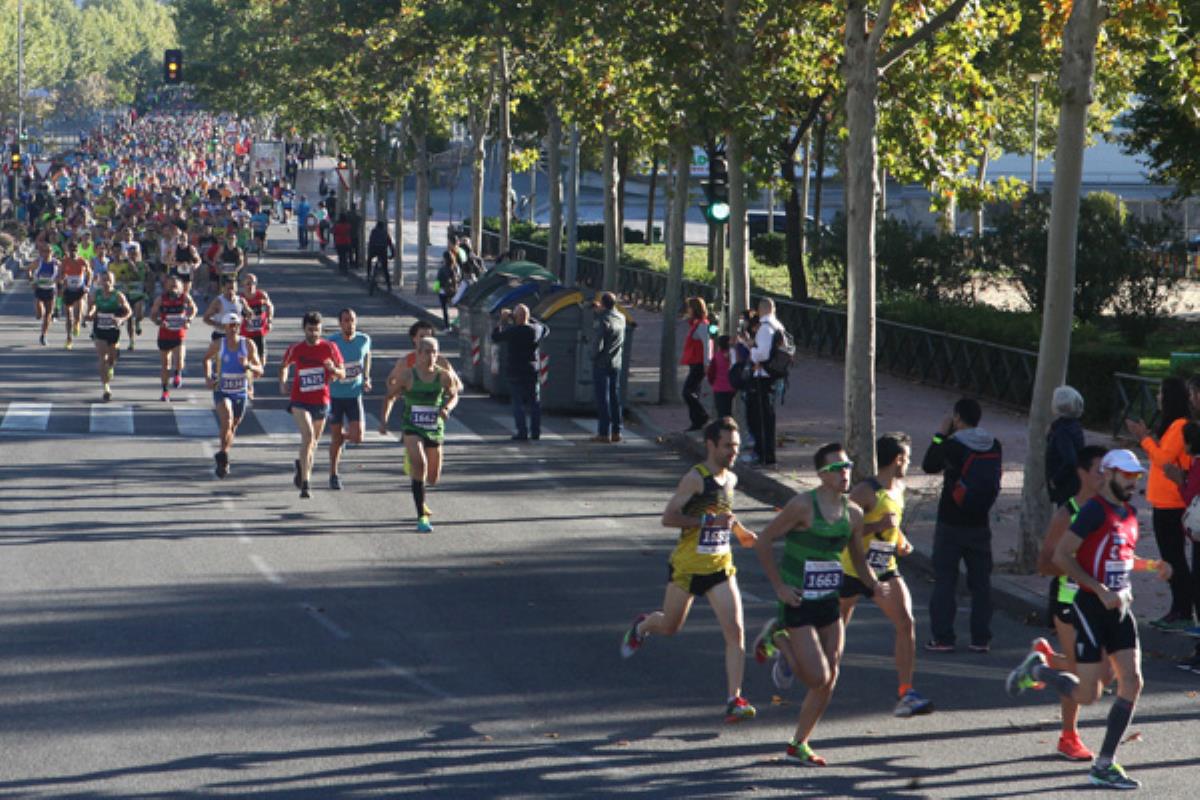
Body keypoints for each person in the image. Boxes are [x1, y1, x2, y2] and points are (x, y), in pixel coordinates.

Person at [1005, 449, 1172, 790]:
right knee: (1087, 694)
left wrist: (1152, 565)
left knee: (1132, 682)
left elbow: (1121, 556)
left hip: (1120, 608)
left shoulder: (1128, 513)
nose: (1133, 482)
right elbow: (1062, 555)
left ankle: (1104, 764)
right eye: (1127, 475)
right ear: (1108, 474)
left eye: (1136, 476)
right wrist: (1098, 589)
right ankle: (1037, 670)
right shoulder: (1093, 510)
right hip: (1090, 607)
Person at [620, 417, 760, 723]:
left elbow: (725, 513)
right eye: (727, 446)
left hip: (720, 566)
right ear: (711, 445)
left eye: (736, 446)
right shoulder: (695, 478)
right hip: (687, 567)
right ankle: (643, 626)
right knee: (670, 627)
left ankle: (734, 699)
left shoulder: (731, 479)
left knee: (736, 632)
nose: (733, 452)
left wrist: (740, 532)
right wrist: (705, 522)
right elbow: (669, 517)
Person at [752, 442, 876, 764]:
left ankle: (799, 743)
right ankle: (778, 637)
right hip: (798, 600)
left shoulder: (853, 513)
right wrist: (779, 587)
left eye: (847, 466)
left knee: (831, 676)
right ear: (821, 474)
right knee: (816, 678)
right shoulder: (802, 506)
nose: (845, 473)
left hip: (829, 601)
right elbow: (763, 540)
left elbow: (858, 559)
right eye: (837, 468)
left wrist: (875, 585)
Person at [840, 433, 932, 717]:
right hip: (852, 569)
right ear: (898, 459)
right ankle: (788, 649)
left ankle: (906, 693)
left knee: (906, 622)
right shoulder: (864, 492)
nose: (909, 463)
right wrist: (876, 525)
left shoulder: (899, 489)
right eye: (907, 458)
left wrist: (900, 540)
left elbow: (893, 523)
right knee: (831, 632)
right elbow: (842, 531)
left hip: (884, 568)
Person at [1034, 444, 1111, 761]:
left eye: (1109, 470)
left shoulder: (1108, 510)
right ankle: (1068, 737)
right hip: (1069, 600)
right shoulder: (1067, 514)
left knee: (1106, 675)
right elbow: (1044, 564)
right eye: (1100, 470)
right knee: (1083, 675)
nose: (1106, 476)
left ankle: (1045, 665)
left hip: (1100, 600)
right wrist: (1077, 564)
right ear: (1083, 473)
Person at [922, 396, 1002, 653]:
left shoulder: (953, 445)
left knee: (945, 580)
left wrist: (940, 435)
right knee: (981, 584)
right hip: (980, 522)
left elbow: (929, 465)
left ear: (957, 418)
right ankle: (981, 638)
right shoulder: (994, 444)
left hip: (950, 521)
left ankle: (943, 637)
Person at [1125, 376, 1195, 631]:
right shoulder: (1174, 426)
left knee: (1173, 558)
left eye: (1161, 393)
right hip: (1165, 501)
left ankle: (1183, 610)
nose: (1158, 397)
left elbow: (1164, 460)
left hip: (1172, 503)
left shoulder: (1179, 425)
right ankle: (1180, 608)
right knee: (1171, 556)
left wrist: (1143, 438)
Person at [393, 336, 458, 532]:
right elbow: (390, 394)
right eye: (427, 352)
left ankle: (413, 465)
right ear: (419, 354)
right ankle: (421, 517)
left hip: (434, 428)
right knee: (420, 464)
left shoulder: (444, 376)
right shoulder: (408, 375)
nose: (431, 356)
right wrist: (384, 418)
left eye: (434, 352)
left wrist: (446, 408)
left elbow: (454, 394)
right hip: (412, 426)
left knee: (432, 478)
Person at [279, 311, 346, 499]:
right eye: (310, 330)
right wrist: (283, 382)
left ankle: (301, 466)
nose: (314, 334)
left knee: (313, 444)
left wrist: (333, 369)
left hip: (321, 401)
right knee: (308, 437)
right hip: (300, 400)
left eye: (317, 330)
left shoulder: (330, 348)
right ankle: (306, 485)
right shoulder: (296, 349)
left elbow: (343, 373)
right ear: (304, 329)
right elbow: (284, 366)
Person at [203, 312, 263, 478]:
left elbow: (260, 370)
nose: (233, 328)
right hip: (222, 390)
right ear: (224, 327)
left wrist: (249, 366)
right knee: (227, 419)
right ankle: (223, 457)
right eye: (230, 325)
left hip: (240, 391)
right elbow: (206, 359)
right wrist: (208, 377)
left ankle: (223, 455)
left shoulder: (248, 344)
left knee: (232, 427)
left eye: (236, 325)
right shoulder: (218, 344)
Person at [379, 319, 463, 436]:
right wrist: (404, 389)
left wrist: (443, 399)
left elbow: (458, 386)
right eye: (421, 336)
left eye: (429, 336)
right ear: (414, 338)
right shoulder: (405, 362)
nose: (425, 340)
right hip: (412, 414)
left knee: (431, 445)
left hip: (434, 415)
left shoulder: (441, 362)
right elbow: (390, 386)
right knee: (413, 443)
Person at [326, 308, 372, 490]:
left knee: (358, 437)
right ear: (340, 323)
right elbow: (324, 364)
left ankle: (340, 440)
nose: (350, 324)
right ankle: (333, 474)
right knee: (336, 438)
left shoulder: (364, 340)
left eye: (352, 320)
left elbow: (367, 356)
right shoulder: (332, 343)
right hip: (335, 397)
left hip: (354, 395)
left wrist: (366, 377)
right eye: (346, 320)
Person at [490, 304, 548, 441]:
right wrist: (529, 318)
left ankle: (522, 432)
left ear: (516, 317)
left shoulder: (513, 331)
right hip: (531, 369)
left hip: (515, 370)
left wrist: (502, 321)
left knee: (518, 403)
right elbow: (546, 328)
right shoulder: (535, 330)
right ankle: (535, 432)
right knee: (534, 402)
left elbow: (495, 337)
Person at [748, 297, 785, 465]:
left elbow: (762, 353)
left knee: (760, 418)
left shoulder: (764, 328)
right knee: (768, 416)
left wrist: (752, 348)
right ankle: (767, 453)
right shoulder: (778, 325)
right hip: (774, 374)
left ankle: (763, 454)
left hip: (762, 376)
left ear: (760, 310)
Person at [86, 270, 132, 402]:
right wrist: (90, 314)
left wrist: (121, 319)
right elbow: (92, 307)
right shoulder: (96, 294)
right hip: (99, 329)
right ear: (100, 281)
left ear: (113, 282)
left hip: (113, 330)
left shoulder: (118, 295)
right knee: (102, 357)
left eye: (109, 280)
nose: (106, 283)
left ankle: (111, 366)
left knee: (112, 358)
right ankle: (106, 388)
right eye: (104, 280)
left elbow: (129, 311)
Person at [149, 274, 198, 400]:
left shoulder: (185, 297)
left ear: (181, 287)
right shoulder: (161, 299)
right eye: (170, 286)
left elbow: (194, 309)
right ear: (166, 286)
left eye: (175, 286)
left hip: (178, 333)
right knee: (165, 365)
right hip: (164, 334)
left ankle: (178, 373)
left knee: (180, 361)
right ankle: (165, 391)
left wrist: (189, 320)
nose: (173, 288)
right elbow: (153, 315)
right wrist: (159, 322)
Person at [590, 291, 625, 444]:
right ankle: (617, 431)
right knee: (615, 397)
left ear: (603, 304)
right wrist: (601, 311)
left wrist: (592, 356)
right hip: (616, 362)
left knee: (602, 398)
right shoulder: (621, 317)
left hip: (601, 363)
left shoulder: (603, 320)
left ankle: (603, 433)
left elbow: (598, 342)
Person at [1046, 386, 1086, 506]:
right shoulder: (1074, 426)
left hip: (1066, 484)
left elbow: (1070, 460)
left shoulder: (1062, 431)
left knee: (1067, 513)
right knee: (1073, 512)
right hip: (1074, 482)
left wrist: (1055, 479)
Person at [680, 296, 711, 432]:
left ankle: (702, 415)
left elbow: (707, 344)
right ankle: (696, 422)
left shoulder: (702, 325)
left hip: (699, 363)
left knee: (687, 392)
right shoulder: (696, 324)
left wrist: (706, 362)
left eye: (689, 307)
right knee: (694, 392)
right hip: (694, 362)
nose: (688, 310)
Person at [59, 241, 91, 349]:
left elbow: (90, 273)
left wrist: (87, 285)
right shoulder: (65, 261)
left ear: (78, 250)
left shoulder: (82, 261)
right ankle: (69, 339)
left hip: (79, 290)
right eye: (71, 249)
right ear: (68, 250)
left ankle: (77, 323)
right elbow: (60, 274)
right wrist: (62, 280)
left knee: (77, 315)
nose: (73, 252)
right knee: (68, 315)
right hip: (68, 290)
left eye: (75, 250)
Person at [239, 273, 274, 367]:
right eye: (248, 283)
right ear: (243, 284)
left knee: (262, 361)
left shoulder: (262, 295)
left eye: (253, 283)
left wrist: (269, 320)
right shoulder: (240, 299)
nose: (251, 286)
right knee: (248, 360)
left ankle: (257, 371)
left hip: (259, 332)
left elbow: (270, 306)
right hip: (246, 334)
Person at [30, 242, 60, 346]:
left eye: (49, 251)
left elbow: (62, 273)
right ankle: (38, 314)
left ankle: (43, 335)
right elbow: (29, 270)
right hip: (40, 289)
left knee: (48, 314)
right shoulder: (38, 262)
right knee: (40, 314)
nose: (47, 253)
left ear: (52, 252)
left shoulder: (56, 263)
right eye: (44, 251)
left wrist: (59, 279)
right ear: (41, 252)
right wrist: (32, 281)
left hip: (51, 290)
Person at [707, 334, 735, 420]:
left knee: (721, 412)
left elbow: (710, 373)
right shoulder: (733, 355)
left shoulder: (716, 357)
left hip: (719, 388)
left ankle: (722, 426)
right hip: (731, 388)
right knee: (728, 411)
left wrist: (713, 383)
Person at [367, 220, 395, 294]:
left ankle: (368, 274)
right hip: (382, 250)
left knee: (369, 260)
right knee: (385, 269)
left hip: (374, 250)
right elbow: (390, 244)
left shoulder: (373, 232)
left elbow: (370, 242)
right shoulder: (385, 233)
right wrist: (392, 254)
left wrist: (369, 253)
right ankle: (389, 285)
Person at [436, 249, 461, 329]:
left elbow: (438, 280)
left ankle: (447, 326)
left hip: (443, 291)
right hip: (454, 290)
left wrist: (436, 289)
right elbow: (459, 278)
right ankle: (458, 323)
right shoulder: (456, 268)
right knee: (458, 308)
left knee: (445, 309)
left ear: (445, 258)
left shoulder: (442, 269)